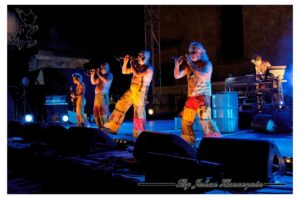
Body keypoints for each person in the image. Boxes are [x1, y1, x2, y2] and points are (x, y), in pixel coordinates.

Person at [174, 41, 221, 146]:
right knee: (186, 121)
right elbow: (177, 76)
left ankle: (216, 145)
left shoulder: (207, 64)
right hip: (191, 97)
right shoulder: (190, 66)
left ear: (201, 52)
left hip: (202, 97)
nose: (191, 54)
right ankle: (188, 143)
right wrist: (177, 65)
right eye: (190, 52)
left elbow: (203, 76)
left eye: (193, 51)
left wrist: (190, 62)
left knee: (206, 122)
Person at [104, 49, 154, 138]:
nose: (138, 57)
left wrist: (132, 63)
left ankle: (139, 134)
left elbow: (138, 74)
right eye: (138, 55)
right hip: (131, 90)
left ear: (147, 57)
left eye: (141, 55)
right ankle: (111, 127)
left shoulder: (149, 68)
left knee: (138, 113)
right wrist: (125, 62)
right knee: (120, 105)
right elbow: (124, 71)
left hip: (140, 92)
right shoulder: (137, 65)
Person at [90, 62, 113, 129]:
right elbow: (93, 82)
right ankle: (100, 127)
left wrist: (99, 74)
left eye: (104, 67)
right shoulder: (100, 76)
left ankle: (106, 127)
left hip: (103, 96)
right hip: (97, 96)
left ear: (108, 68)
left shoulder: (110, 75)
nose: (102, 69)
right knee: (96, 112)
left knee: (103, 112)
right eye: (101, 67)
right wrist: (92, 75)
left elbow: (106, 80)